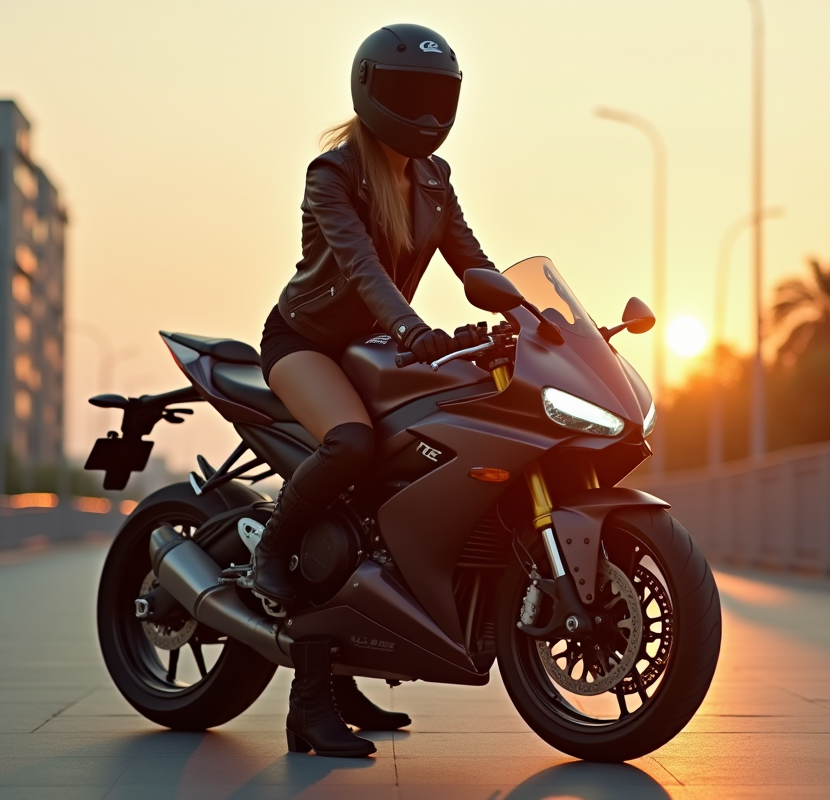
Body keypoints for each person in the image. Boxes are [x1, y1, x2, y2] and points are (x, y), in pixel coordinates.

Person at [251, 24, 496, 758]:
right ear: (369, 89)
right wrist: (414, 330)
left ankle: (348, 666)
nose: (423, 110)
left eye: (435, 95)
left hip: (379, 348)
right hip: (307, 344)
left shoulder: (434, 178)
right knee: (352, 446)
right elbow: (363, 272)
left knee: (399, 481)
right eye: (406, 93)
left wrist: (537, 315)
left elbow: (473, 262)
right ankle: (275, 550)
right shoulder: (332, 173)